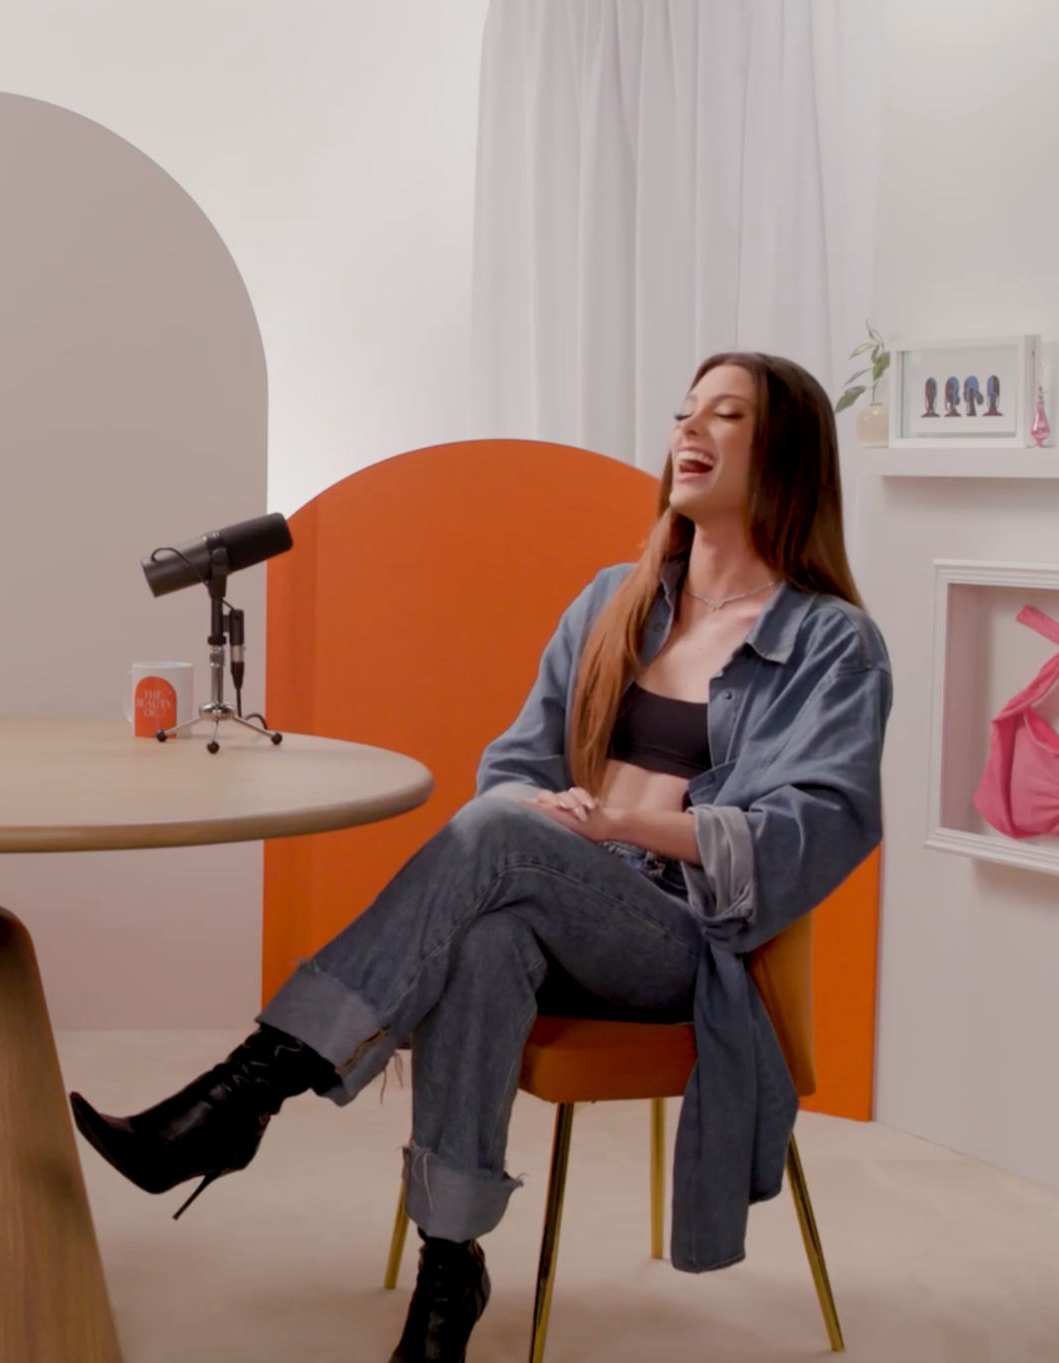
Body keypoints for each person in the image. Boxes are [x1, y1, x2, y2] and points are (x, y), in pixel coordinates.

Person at [69, 352, 890, 1361]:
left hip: (684, 942)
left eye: (726, 415)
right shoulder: (612, 601)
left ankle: (245, 1090)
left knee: (504, 835)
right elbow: (515, 763)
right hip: (560, 903)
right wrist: (543, 807)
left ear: (789, 457)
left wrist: (618, 826)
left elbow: (812, 830)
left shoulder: (832, 645)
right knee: (487, 935)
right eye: (685, 412)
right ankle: (448, 1275)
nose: (691, 431)